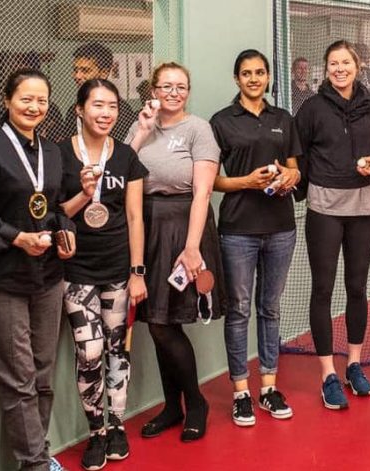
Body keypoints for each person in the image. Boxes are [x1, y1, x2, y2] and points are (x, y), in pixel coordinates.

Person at [0, 68, 75, 471]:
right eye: (26, 98)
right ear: (9, 101)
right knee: (19, 381)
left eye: (42, 100)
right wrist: (18, 237)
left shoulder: (53, 152)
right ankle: (36, 466)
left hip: (47, 279)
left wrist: (65, 231)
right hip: (2, 282)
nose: (35, 106)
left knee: (43, 377)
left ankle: (37, 456)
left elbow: (58, 207)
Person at [126, 62, 226, 442]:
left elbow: (203, 192)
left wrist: (191, 246)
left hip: (185, 226)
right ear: (153, 89)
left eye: (180, 86)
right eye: (165, 86)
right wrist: (141, 131)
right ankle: (172, 406)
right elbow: (120, 170)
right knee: (156, 321)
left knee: (168, 322)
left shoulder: (199, 129)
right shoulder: (143, 127)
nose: (173, 92)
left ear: (188, 91)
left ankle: (195, 403)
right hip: (147, 227)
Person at [295, 39, 370, 410]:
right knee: (323, 289)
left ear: (358, 66)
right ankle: (327, 374)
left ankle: (354, 364)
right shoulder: (312, 108)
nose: (340, 69)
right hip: (324, 208)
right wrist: (300, 188)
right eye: (333, 63)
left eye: (346, 63)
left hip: (364, 206)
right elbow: (298, 154)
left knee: (357, 287)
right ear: (326, 68)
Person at [58, 78, 148, 470]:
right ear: (80, 109)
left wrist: (137, 272)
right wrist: (83, 191)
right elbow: (58, 213)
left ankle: (117, 427)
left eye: (112, 105)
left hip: (117, 269)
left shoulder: (127, 156)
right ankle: (95, 430)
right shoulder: (60, 155)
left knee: (117, 349)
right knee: (89, 352)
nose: (105, 113)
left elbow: (134, 217)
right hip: (76, 270)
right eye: (97, 105)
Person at [210, 49, 302, 427]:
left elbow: (295, 168)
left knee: (271, 309)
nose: (253, 78)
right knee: (238, 311)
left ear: (268, 77)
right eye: (246, 73)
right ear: (236, 79)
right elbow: (212, 179)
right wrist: (246, 182)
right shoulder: (221, 121)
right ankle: (240, 392)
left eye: (260, 72)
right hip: (237, 231)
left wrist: (289, 178)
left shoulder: (283, 119)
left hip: (280, 228)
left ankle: (267, 387)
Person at [63, 43, 135, 142]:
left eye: (85, 70)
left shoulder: (121, 110)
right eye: (75, 70)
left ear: (104, 73)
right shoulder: (72, 111)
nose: (77, 76)